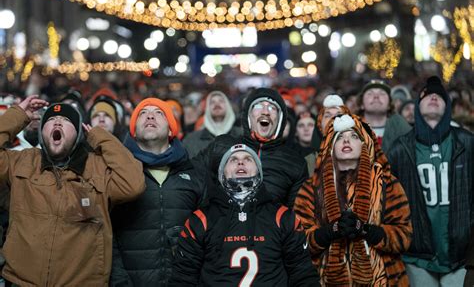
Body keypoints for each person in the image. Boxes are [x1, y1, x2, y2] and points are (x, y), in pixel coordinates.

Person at [0, 95, 145, 286]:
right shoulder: (22, 161)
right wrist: (18, 115)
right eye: (50, 120)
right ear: (42, 131)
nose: (57, 121)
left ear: (78, 133)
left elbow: (133, 184)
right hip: (21, 282)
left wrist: (101, 137)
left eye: (66, 120)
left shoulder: (97, 167)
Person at [168, 144, 320, 286]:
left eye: (248, 159)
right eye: (233, 160)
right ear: (222, 174)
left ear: (259, 172)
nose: (240, 163)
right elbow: (183, 278)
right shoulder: (200, 220)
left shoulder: (283, 217)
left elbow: (303, 274)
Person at [295, 113, 412, 286]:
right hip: (325, 280)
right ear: (331, 146)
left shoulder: (387, 182)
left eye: (354, 136)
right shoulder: (312, 187)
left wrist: (366, 230)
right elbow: (298, 240)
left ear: (365, 144)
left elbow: (404, 235)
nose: (346, 140)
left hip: (381, 279)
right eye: (340, 137)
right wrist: (331, 231)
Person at [387, 76, 474, 286]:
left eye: (439, 96)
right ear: (417, 106)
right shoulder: (401, 148)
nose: (433, 97)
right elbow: (389, 200)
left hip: (460, 254)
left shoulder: (467, 142)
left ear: (448, 107)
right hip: (417, 254)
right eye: (426, 95)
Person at [110, 98, 206, 286]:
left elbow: (206, 235)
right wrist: (119, 281)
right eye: (143, 113)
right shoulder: (119, 173)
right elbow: (107, 235)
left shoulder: (191, 173)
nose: (150, 116)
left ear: (171, 130)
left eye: (159, 113)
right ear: (134, 131)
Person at [194, 88, 308, 208]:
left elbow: (298, 216)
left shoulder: (295, 163)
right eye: (258, 106)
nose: (265, 112)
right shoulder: (222, 146)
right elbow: (189, 177)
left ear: (280, 119)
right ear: (248, 115)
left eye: (272, 108)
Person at [358, 79, 411, 153]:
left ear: (389, 104)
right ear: (361, 104)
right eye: (370, 93)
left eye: (382, 93)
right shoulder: (351, 128)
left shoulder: (403, 130)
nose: (376, 96)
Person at [183, 91, 238, 158]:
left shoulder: (241, 135)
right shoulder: (191, 140)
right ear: (207, 109)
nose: (217, 104)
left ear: (228, 106)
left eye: (221, 101)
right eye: (212, 102)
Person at [306, 94, 350, 176]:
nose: (333, 119)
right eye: (327, 115)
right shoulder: (308, 162)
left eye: (339, 115)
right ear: (319, 125)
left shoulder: (360, 157)